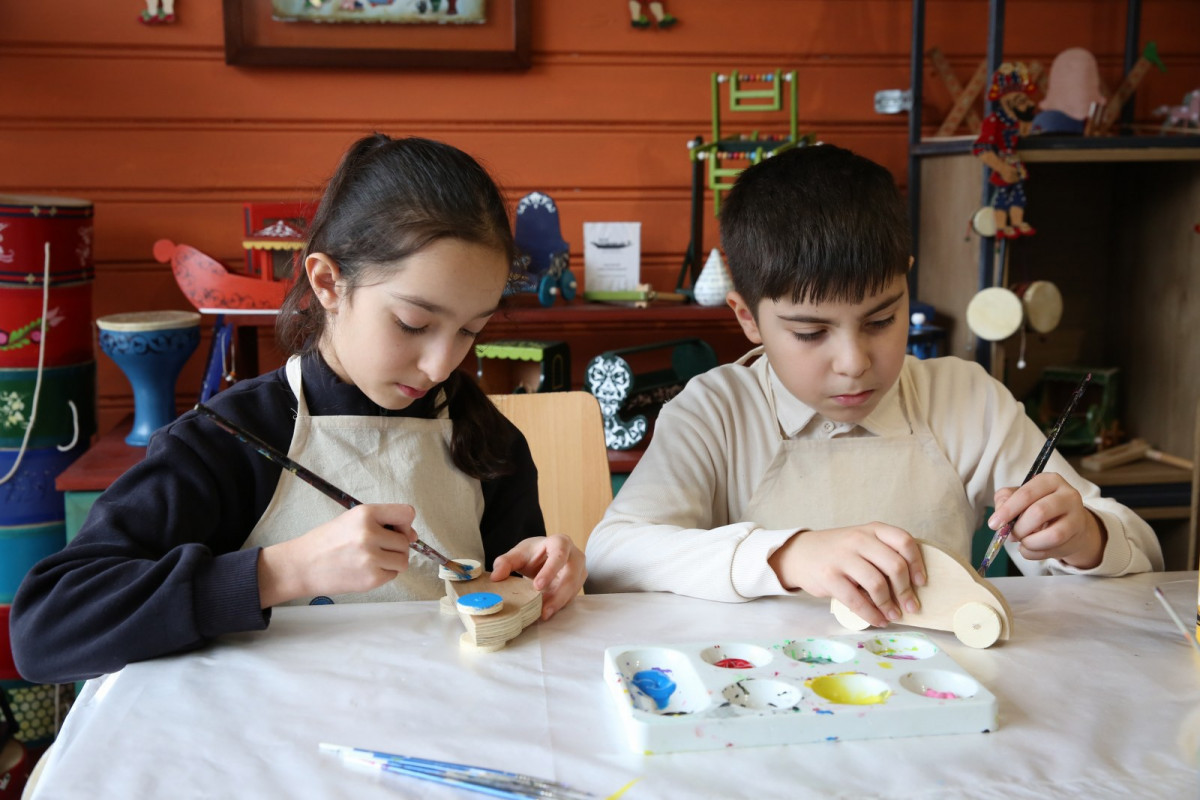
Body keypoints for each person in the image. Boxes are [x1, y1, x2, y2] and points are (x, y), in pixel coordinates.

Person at [11, 134, 587, 684]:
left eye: (469, 330)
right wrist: (283, 571)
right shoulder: (231, 438)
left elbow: (514, 627)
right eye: (413, 323)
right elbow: (45, 629)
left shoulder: (490, 442)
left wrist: (542, 579)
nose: (441, 366)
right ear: (328, 282)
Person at [585, 144, 1162, 627]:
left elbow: (1144, 554)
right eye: (811, 333)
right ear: (747, 318)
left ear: (906, 282)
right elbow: (612, 558)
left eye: (882, 320)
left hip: (941, 691)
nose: (854, 362)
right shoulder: (716, 411)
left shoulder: (966, 401)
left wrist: (1082, 538)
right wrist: (787, 555)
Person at [973, 62, 1038, 239]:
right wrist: (1001, 167)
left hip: (1015, 163)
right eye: (1021, 101)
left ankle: (1017, 222)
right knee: (1002, 196)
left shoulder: (1018, 122)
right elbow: (981, 147)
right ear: (1007, 102)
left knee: (1018, 195)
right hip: (1003, 163)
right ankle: (1001, 226)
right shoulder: (994, 122)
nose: (1028, 104)